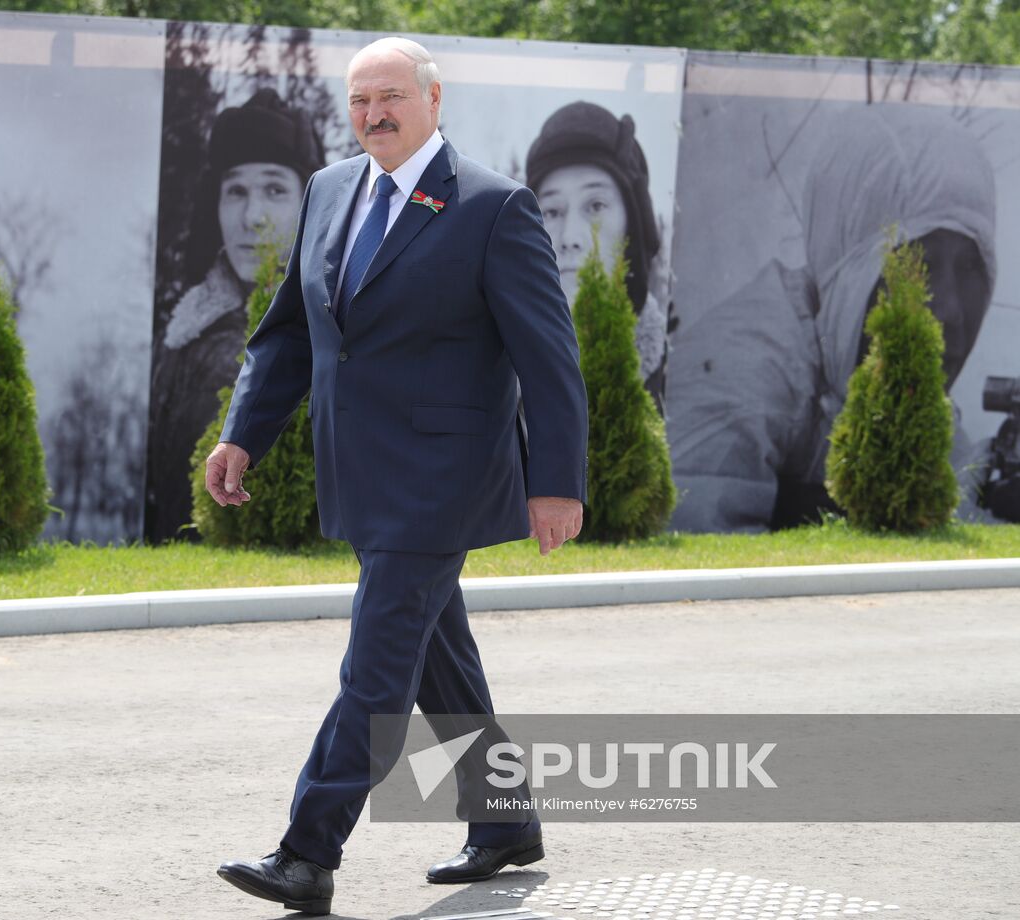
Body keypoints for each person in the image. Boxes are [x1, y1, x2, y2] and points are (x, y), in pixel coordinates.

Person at [205, 37, 588, 915]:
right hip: (364, 475)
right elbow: (292, 335)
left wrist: (556, 480)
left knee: (375, 671)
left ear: (432, 98)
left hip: (441, 478)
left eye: (390, 97)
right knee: (437, 658)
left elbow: (550, 359)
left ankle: (308, 852)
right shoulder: (328, 190)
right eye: (359, 100)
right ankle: (504, 824)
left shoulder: (495, 207)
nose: (373, 114)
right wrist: (243, 436)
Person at [666, 104, 997, 532]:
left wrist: (992, 479)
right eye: (920, 263)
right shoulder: (737, 373)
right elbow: (698, 564)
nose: (951, 309)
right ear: (850, 256)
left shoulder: (885, 376)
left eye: (971, 268)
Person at [145, 89, 323, 542]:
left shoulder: (329, 322)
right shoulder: (186, 334)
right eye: (236, 192)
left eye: (275, 190)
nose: (253, 216)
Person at [525, 101, 667, 408]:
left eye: (596, 206)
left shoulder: (684, 377)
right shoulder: (482, 374)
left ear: (633, 225)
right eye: (551, 211)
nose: (570, 238)